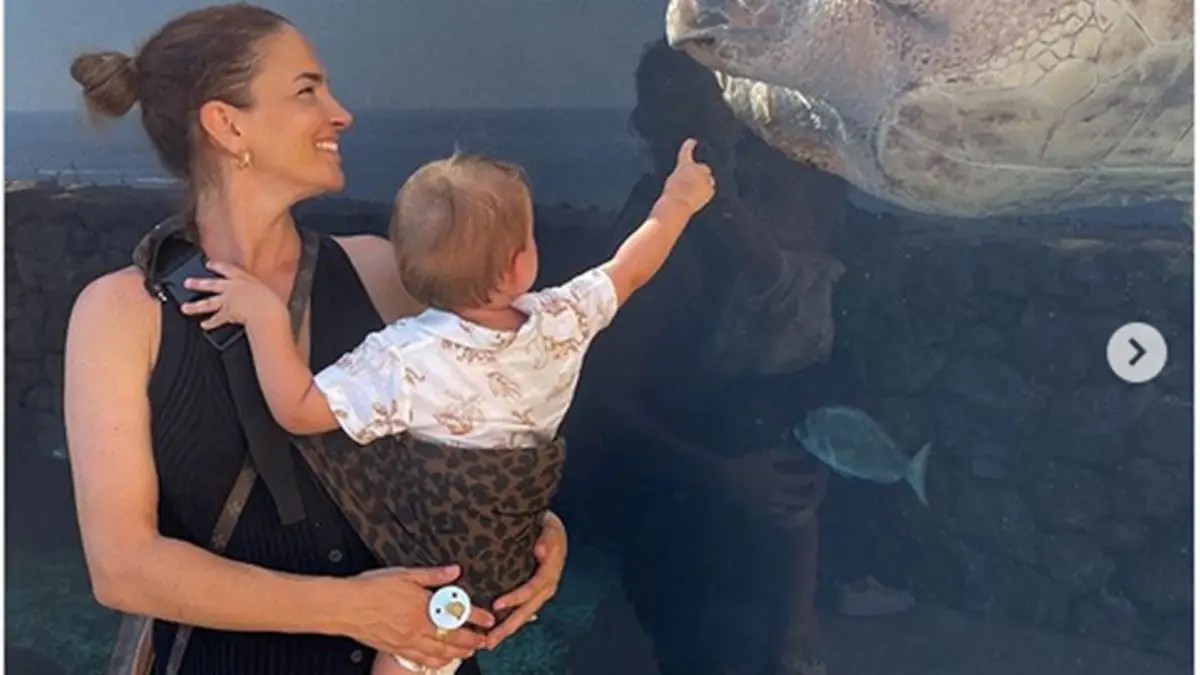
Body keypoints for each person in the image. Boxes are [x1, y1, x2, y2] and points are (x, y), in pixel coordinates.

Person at [62, 5, 565, 674]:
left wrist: (534, 531)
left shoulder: (382, 274)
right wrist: (347, 608)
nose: (341, 114)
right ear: (227, 124)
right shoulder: (120, 315)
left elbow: (487, 423)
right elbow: (123, 566)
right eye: (307, 90)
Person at [175, 140, 717, 675]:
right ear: (519, 265)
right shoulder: (562, 319)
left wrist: (265, 318)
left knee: (408, 655)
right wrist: (677, 201)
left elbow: (298, 411)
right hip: (508, 551)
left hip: (445, 564)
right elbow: (631, 267)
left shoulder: (406, 356)